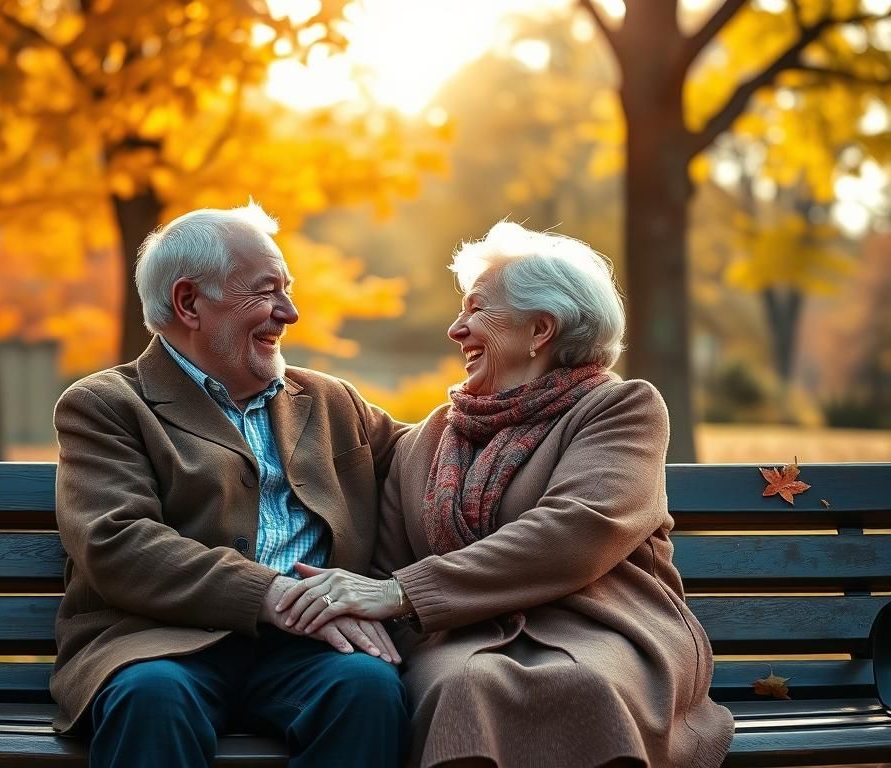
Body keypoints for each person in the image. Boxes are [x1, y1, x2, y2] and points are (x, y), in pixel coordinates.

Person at [277, 222, 736, 767]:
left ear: (540, 328)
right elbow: (385, 566)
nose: (456, 329)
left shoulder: (621, 409)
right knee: (463, 687)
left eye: (476, 310)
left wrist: (405, 593)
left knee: (585, 685)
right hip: (460, 642)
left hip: (603, 628)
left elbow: (578, 529)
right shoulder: (427, 439)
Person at [50, 202, 411, 768]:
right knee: (152, 699)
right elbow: (117, 542)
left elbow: (433, 458)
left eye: (287, 291)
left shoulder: (330, 400)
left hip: (309, 651)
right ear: (189, 302)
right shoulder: (107, 405)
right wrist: (273, 595)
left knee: (366, 689)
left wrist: (540, 396)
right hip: (158, 645)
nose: (289, 312)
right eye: (266, 292)